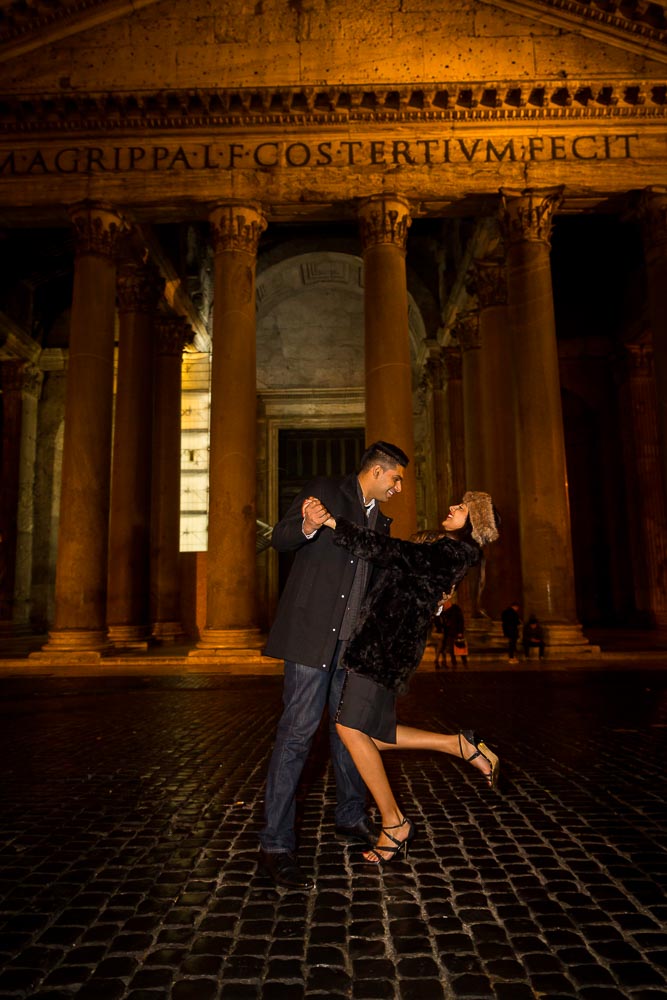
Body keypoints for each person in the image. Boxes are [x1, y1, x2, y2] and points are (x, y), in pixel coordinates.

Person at [305, 491, 501, 865]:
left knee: (348, 730)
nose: (452, 508)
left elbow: (389, 551)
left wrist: (333, 524)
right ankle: (457, 745)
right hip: (385, 646)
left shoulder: (453, 552)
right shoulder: (446, 552)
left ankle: (394, 822)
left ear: (474, 523)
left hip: (383, 647)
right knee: (372, 737)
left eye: (461, 508)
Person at [258, 440, 410, 889]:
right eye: (396, 478)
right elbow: (281, 538)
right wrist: (306, 524)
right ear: (378, 471)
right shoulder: (326, 490)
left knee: (348, 733)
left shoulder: (380, 522)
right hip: (309, 642)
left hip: (350, 648)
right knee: (297, 737)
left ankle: (349, 815)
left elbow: (380, 583)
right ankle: (275, 846)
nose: (399, 487)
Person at [442, 600, 468, 669]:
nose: (444, 606)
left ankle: (464, 661)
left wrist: (460, 632)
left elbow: (460, 621)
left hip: (457, 632)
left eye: (445, 604)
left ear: (448, 603)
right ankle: (454, 662)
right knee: (451, 649)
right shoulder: (445, 612)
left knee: (460, 647)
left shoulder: (456, 610)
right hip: (450, 632)